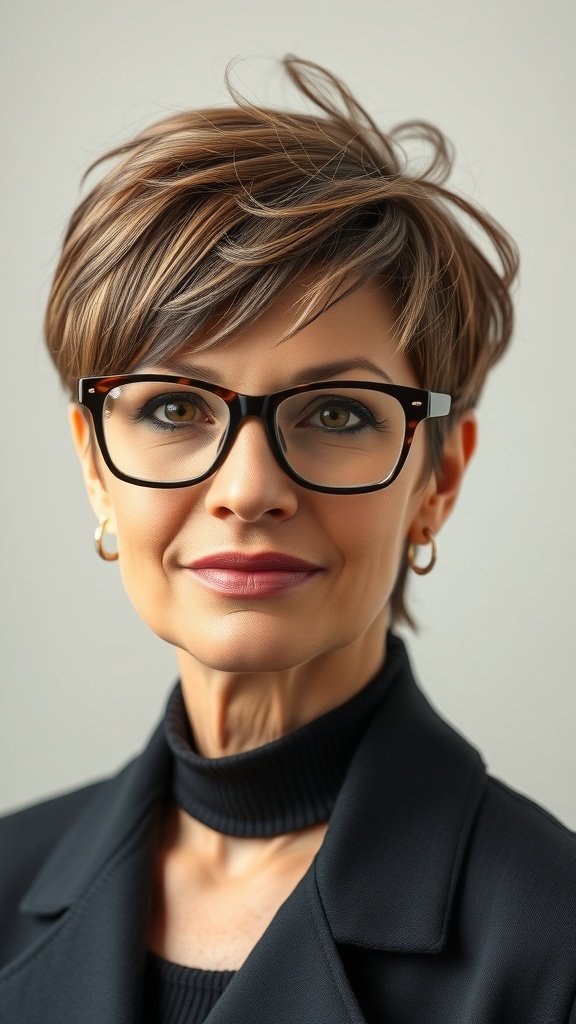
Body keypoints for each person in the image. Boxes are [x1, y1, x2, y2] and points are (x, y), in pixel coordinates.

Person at [0, 56, 574, 1024]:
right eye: (175, 405)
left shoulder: (555, 943)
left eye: (339, 413)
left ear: (438, 475)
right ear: (95, 464)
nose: (249, 489)